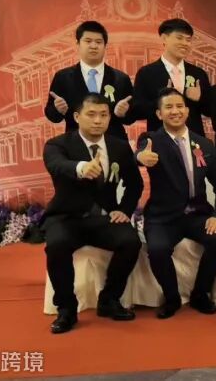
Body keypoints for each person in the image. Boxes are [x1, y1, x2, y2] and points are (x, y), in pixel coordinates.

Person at [42, 94, 143, 334]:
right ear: (77, 117)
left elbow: (135, 184)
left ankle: (109, 299)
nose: (98, 120)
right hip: (67, 217)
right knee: (56, 246)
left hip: (104, 218)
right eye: (91, 114)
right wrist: (81, 168)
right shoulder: (58, 144)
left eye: (103, 115)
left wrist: (124, 210)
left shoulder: (119, 146)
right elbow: (56, 165)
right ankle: (66, 309)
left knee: (130, 242)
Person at [136, 88, 216, 318]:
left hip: (198, 213)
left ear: (187, 111)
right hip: (163, 216)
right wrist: (140, 157)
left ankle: (200, 294)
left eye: (179, 106)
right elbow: (138, 154)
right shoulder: (151, 140)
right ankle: (172, 298)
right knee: (157, 250)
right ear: (159, 114)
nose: (175, 111)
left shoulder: (204, 144)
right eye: (169, 107)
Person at [45, 21, 134, 140]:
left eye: (98, 42)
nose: (93, 46)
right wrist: (58, 110)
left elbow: (131, 117)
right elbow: (52, 115)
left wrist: (123, 113)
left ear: (105, 46)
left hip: (114, 143)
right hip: (76, 144)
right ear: (78, 44)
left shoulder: (121, 78)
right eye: (88, 41)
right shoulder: (63, 77)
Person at [132, 18, 211, 136]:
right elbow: (138, 111)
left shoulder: (198, 74)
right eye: (179, 38)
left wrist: (199, 99)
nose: (185, 43)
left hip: (194, 139)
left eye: (188, 40)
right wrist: (162, 100)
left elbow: (209, 110)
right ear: (164, 38)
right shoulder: (146, 73)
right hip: (160, 140)